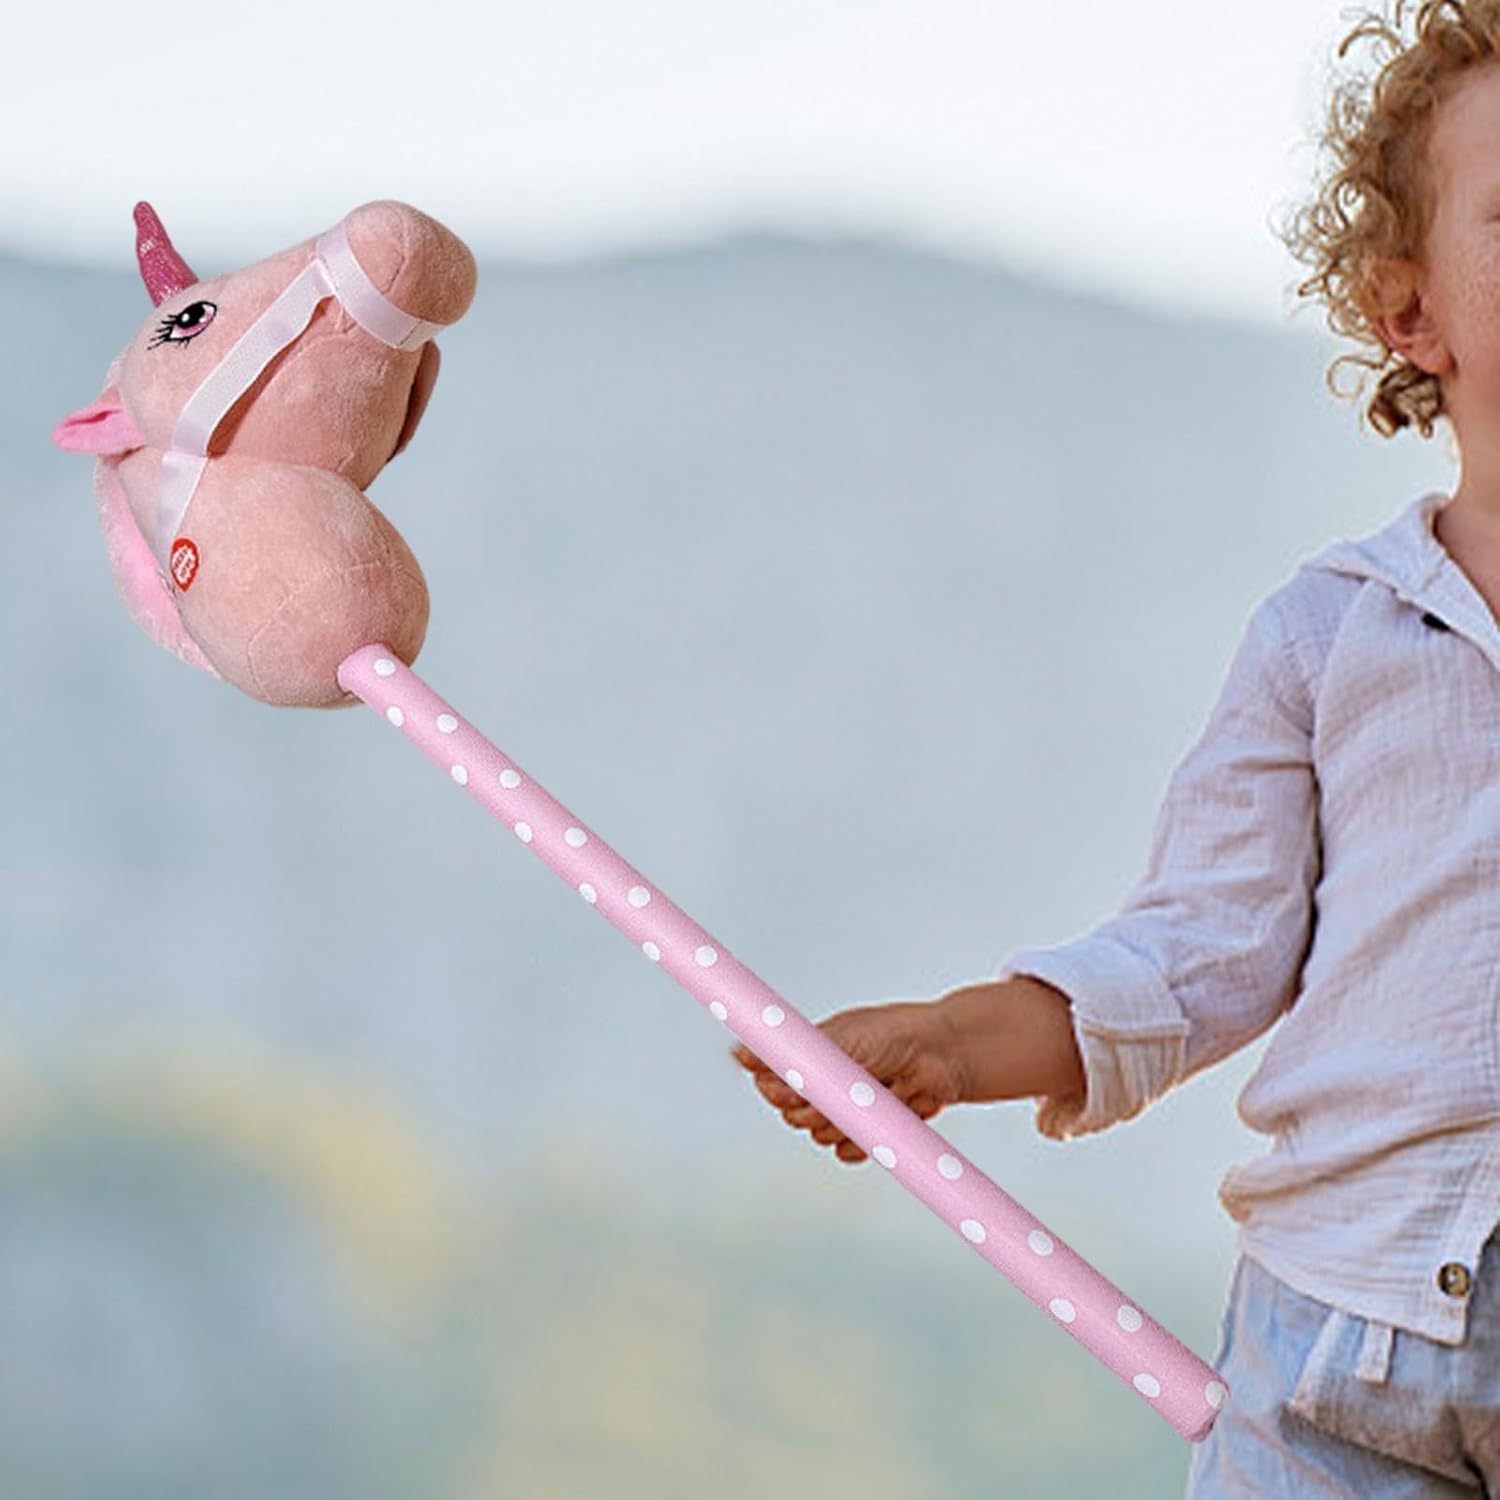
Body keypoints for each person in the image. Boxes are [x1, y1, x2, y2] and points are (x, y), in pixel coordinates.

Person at [732, 3, 1500, 1492]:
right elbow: (1195, 951)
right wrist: (952, 1042)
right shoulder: (1327, 639)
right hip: (1332, 1353)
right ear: (1411, 314)